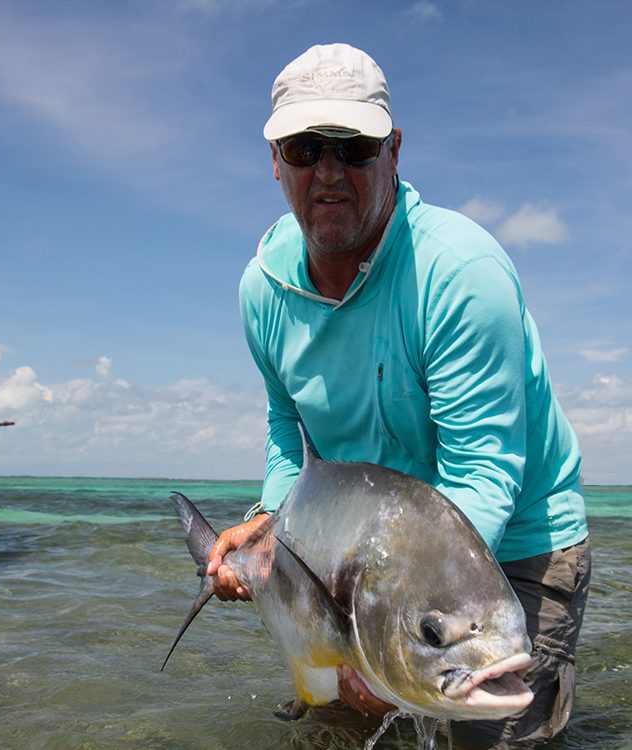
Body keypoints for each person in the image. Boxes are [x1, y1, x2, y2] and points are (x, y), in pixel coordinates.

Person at [207, 42, 591, 746]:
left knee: (486, 719)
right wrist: (268, 518)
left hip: (516, 539)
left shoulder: (459, 272)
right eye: (303, 149)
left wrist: (390, 641)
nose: (328, 172)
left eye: (353, 148)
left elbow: (483, 470)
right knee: (330, 725)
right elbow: (287, 430)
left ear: (394, 152)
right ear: (275, 161)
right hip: (371, 552)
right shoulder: (261, 292)